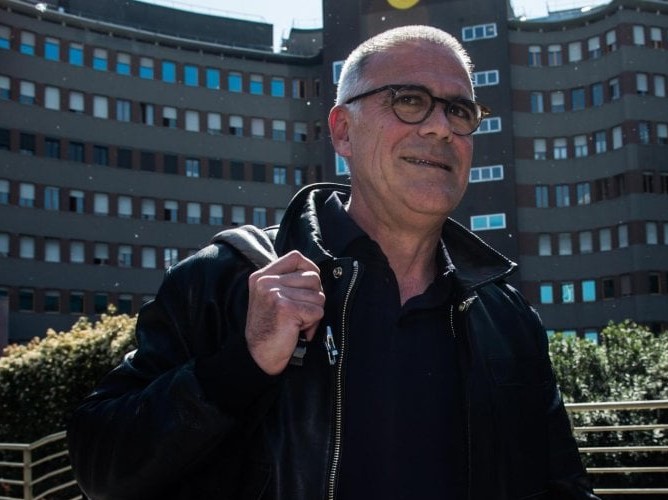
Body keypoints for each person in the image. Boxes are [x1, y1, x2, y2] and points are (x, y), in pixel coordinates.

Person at [68, 25, 598, 499]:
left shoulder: (505, 317)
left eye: (459, 110)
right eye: (409, 100)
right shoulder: (227, 278)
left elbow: (561, 486)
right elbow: (100, 470)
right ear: (343, 131)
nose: (441, 128)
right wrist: (241, 365)